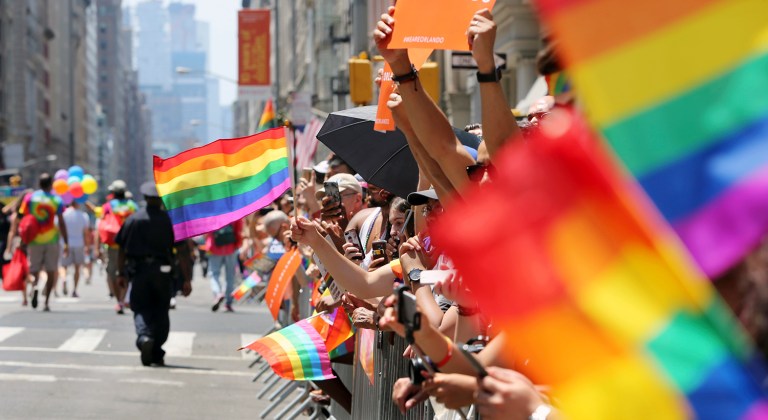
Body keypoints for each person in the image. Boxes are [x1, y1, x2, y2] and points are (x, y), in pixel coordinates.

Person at [115, 181, 191, 367]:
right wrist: (186, 278)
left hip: (139, 271)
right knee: (161, 310)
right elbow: (182, 252)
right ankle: (156, 350)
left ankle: (144, 338)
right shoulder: (170, 221)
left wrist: (121, 274)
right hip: (163, 272)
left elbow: (121, 250)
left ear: (145, 198)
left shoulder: (133, 220)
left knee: (141, 307)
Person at [7, 174, 68, 311]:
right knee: (51, 270)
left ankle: (34, 285)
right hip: (52, 239)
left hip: (34, 239)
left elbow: (24, 218)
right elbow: (62, 222)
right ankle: (46, 302)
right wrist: (66, 241)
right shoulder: (56, 200)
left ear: (39, 184)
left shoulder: (30, 198)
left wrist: (22, 238)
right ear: (51, 184)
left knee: (34, 269)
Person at [100, 179, 138, 314]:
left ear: (114, 193)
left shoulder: (108, 206)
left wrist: (99, 245)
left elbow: (102, 226)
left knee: (112, 273)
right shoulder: (133, 206)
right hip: (129, 245)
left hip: (113, 245)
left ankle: (119, 301)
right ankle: (122, 299)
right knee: (126, 273)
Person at [206, 219, 243, 312]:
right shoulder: (234, 210)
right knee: (230, 276)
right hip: (231, 247)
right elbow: (239, 230)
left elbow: (206, 230)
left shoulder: (212, 211)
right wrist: (237, 244)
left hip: (214, 247)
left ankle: (218, 293)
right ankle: (228, 303)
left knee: (214, 274)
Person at [61, 201, 91, 298]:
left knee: (63, 266)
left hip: (65, 243)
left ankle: (64, 278)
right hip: (79, 243)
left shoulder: (64, 214)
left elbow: (59, 228)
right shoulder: (83, 215)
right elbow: (86, 233)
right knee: (77, 268)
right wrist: (87, 246)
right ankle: (74, 289)